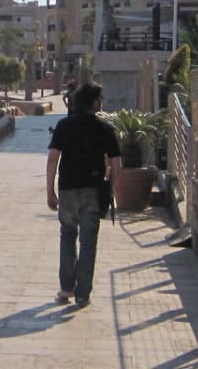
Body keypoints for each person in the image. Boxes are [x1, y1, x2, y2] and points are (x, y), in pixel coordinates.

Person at [46, 80, 120, 308]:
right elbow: (116, 163)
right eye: (100, 98)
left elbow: (53, 158)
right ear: (94, 102)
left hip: (67, 189)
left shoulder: (63, 126)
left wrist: (50, 190)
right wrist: (112, 188)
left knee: (67, 236)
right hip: (93, 190)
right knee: (89, 242)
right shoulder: (105, 129)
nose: (101, 102)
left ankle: (66, 287)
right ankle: (82, 294)